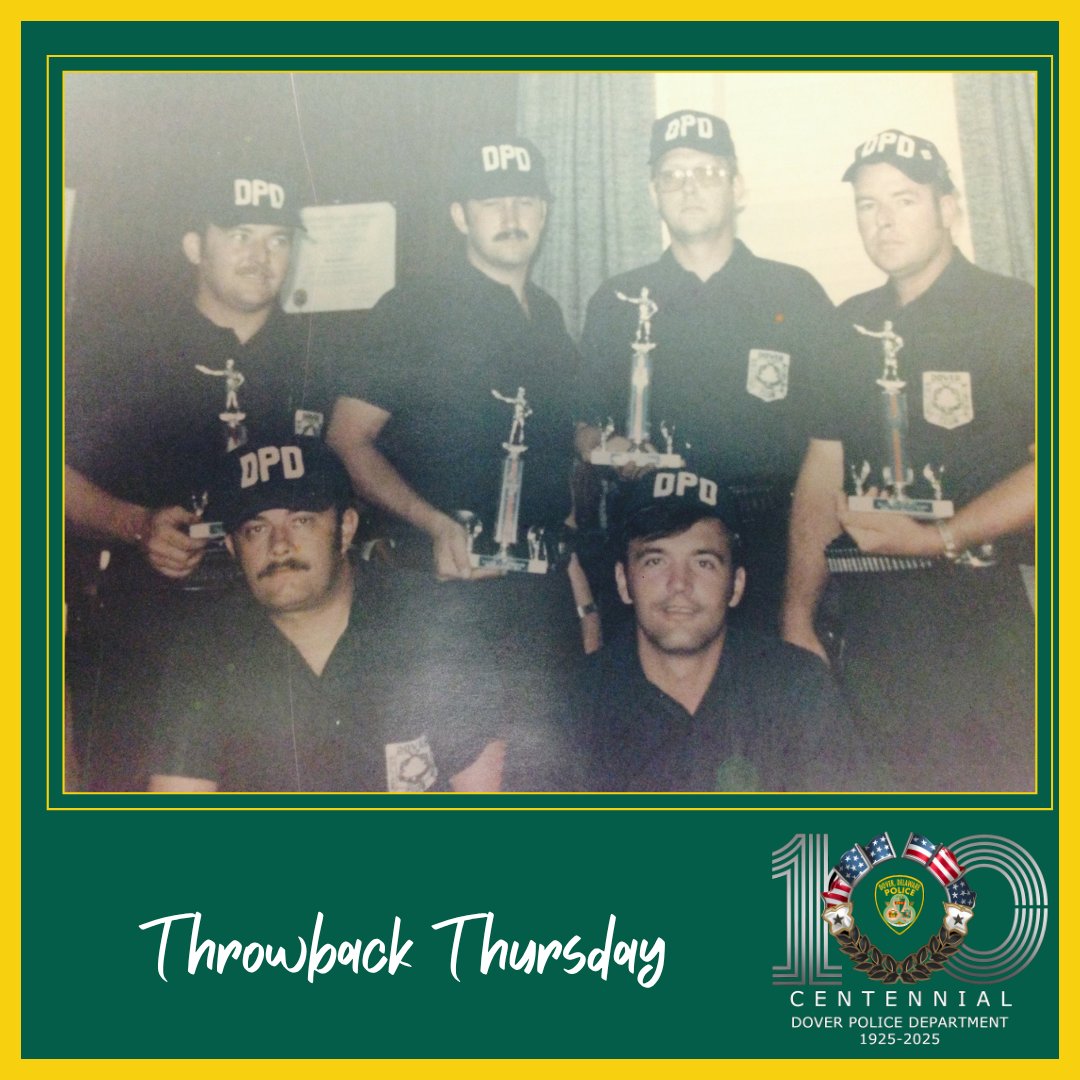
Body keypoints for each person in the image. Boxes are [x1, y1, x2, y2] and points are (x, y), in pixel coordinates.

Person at [65, 156, 334, 789]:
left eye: (277, 239)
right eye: (238, 234)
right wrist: (136, 525)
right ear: (195, 245)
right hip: (151, 619)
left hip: (277, 624)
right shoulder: (124, 347)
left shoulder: (317, 353)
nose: (259, 255)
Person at [781, 129, 1035, 791]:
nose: (884, 220)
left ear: (949, 206)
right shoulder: (846, 325)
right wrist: (795, 612)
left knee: (983, 823)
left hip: (977, 618)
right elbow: (820, 473)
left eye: (904, 199)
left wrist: (938, 538)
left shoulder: (1017, 311)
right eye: (867, 205)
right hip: (869, 620)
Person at [325, 132, 598, 660]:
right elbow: (346, 439)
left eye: (524, 201)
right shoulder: (413, 307)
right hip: (438, 590)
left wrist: (582, 602)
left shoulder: (548, 316)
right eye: (491, 203)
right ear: (460, 216)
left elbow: (551, 475)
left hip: (540, 593)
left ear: (543, 213)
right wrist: (433, 523)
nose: (510, 216)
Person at [575, 110, 838, 637]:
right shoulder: (618, 300)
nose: (688, 188)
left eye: (707, 173)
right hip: (651, 539)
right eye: (672, 176)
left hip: (766, 541)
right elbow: (581, 426)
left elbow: (829, 446)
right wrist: (611, 447)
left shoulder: (795, 293)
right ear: (654, 192)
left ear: (738, 187)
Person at [147, 440, 508, 793]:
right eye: (256, 529)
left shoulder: (425, 620)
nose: (280, 545)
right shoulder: (208, 645)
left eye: (301, 521)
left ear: (346, 529)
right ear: (231, 547)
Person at [569, 470, 855, 792]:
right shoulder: (577, 701)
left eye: (703, 563)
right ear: (624, 582)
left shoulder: (795, 687)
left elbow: (874, 834)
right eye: (655, 561)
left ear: (736, 585)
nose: (679, 584)